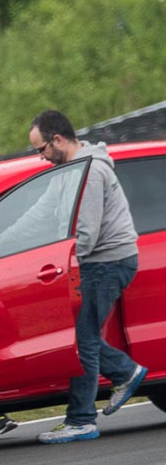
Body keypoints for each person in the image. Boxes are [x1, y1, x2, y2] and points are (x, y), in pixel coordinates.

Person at [30, 110, 145, 443]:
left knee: (82, 342)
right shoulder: (69, 171)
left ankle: (82, 419)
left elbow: (87, 232)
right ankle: (125, 374)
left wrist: (56, 262)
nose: (40, 157)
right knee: (85, 339)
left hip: (109, 262)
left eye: (41, 149)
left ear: (59, 140)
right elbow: (40, 212)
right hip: (100, 263)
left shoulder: (91, 171)